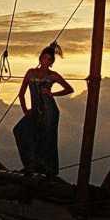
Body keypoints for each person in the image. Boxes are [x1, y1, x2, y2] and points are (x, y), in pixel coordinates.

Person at [12, 42, 73, 177]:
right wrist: (25, 111)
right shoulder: (31, 72)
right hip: (34, 110)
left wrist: (53, 94)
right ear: (40, 58)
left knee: (47, 138)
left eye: (49, 59)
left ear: (51, 62)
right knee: (20, 130)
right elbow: (21, 93)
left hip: (49, 111)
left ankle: (46, 169)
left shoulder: (53, 75)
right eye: (44, 58)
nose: (46, 61)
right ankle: (30, 165)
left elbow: (69, 89)